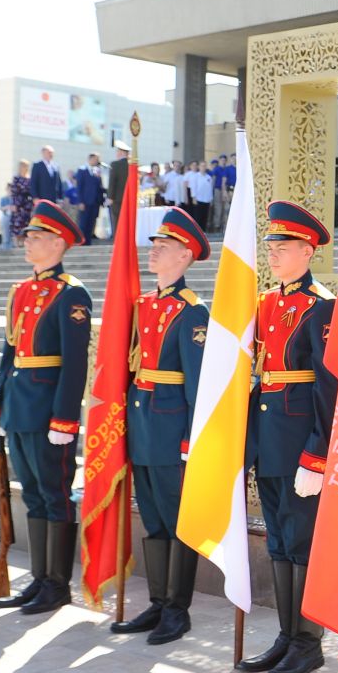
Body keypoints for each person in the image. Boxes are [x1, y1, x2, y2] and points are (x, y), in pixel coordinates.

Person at [237, 201, 338, 673]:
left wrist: (317, 455)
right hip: (269, 439)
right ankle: (285, 634)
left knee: (301, 543)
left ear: (307, 250)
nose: (272, 254)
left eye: (282, 246)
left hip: (300, 443)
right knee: (278, 541)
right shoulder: (265, 302)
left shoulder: (321, 306)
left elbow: (327, 387)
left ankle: (308, 641)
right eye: (270, 245)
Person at [111, 208, 209, 644]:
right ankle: (157, 601)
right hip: (143, 423)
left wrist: (190, 439)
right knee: (152, 520)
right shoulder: (144, 304)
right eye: (153, 246)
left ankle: (177, 609)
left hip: (172, 431)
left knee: (176, 521)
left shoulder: (192, 312)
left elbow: (198, 382)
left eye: (164, 248)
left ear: (185, 256)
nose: (153, 253)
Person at [0, 201, 92, 615]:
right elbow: (8, 353)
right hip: (19, 406)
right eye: (27, 237)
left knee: (55, 494)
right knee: (31, 494)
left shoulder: (71, 294)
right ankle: (39, 577)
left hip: (50, 410)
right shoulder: (21, 291)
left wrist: (65, 417)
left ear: (57, 243)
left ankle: (58, 583)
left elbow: (75, 362)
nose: (27, 243)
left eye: (34, 237)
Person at [72, 153, 105, 243]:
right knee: (83, 222)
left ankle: (88, 241)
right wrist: (80, 202)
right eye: (96, 159)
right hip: (85, 202)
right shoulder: (82, 170)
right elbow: (79, 187)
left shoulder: (97, 171)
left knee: (91, 223)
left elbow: (100, 187)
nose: (97, 161)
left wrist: (102, 200)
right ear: (90, 159)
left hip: (95, 202)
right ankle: (81, 241)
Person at [5, 160, 33, 248]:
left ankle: (24, 243)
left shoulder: (30, 179)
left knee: (26, 224)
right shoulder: (16, 178)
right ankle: (16, 244)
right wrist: (14, 205)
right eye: (23, 166)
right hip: (18, 204)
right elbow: (14, 192)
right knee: (17, 224)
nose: (24, 168)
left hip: (27, 205)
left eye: (26, 166)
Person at [108, 141, 132, 227]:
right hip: (130, 199)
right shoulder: (132, 165)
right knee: (127, 223)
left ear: (121, 153)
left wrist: (110, 197)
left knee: (117, 222)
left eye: (117, 152)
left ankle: (117, 241)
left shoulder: (115, 164)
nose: (116, 154)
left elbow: (112, 182)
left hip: (117, 199)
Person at [189, 160, 214, 228]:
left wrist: (211, 199)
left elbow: (210, 189)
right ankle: (197, 234)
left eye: (205, 166)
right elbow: (193, 188)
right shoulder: (195, 176)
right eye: (202, 166)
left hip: (207, 200)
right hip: (198, 200)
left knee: (205, 217)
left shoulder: (209, 177)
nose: (203, 167)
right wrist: (194, 197)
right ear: (199, 167)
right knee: (197, 218)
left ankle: (203, 232)